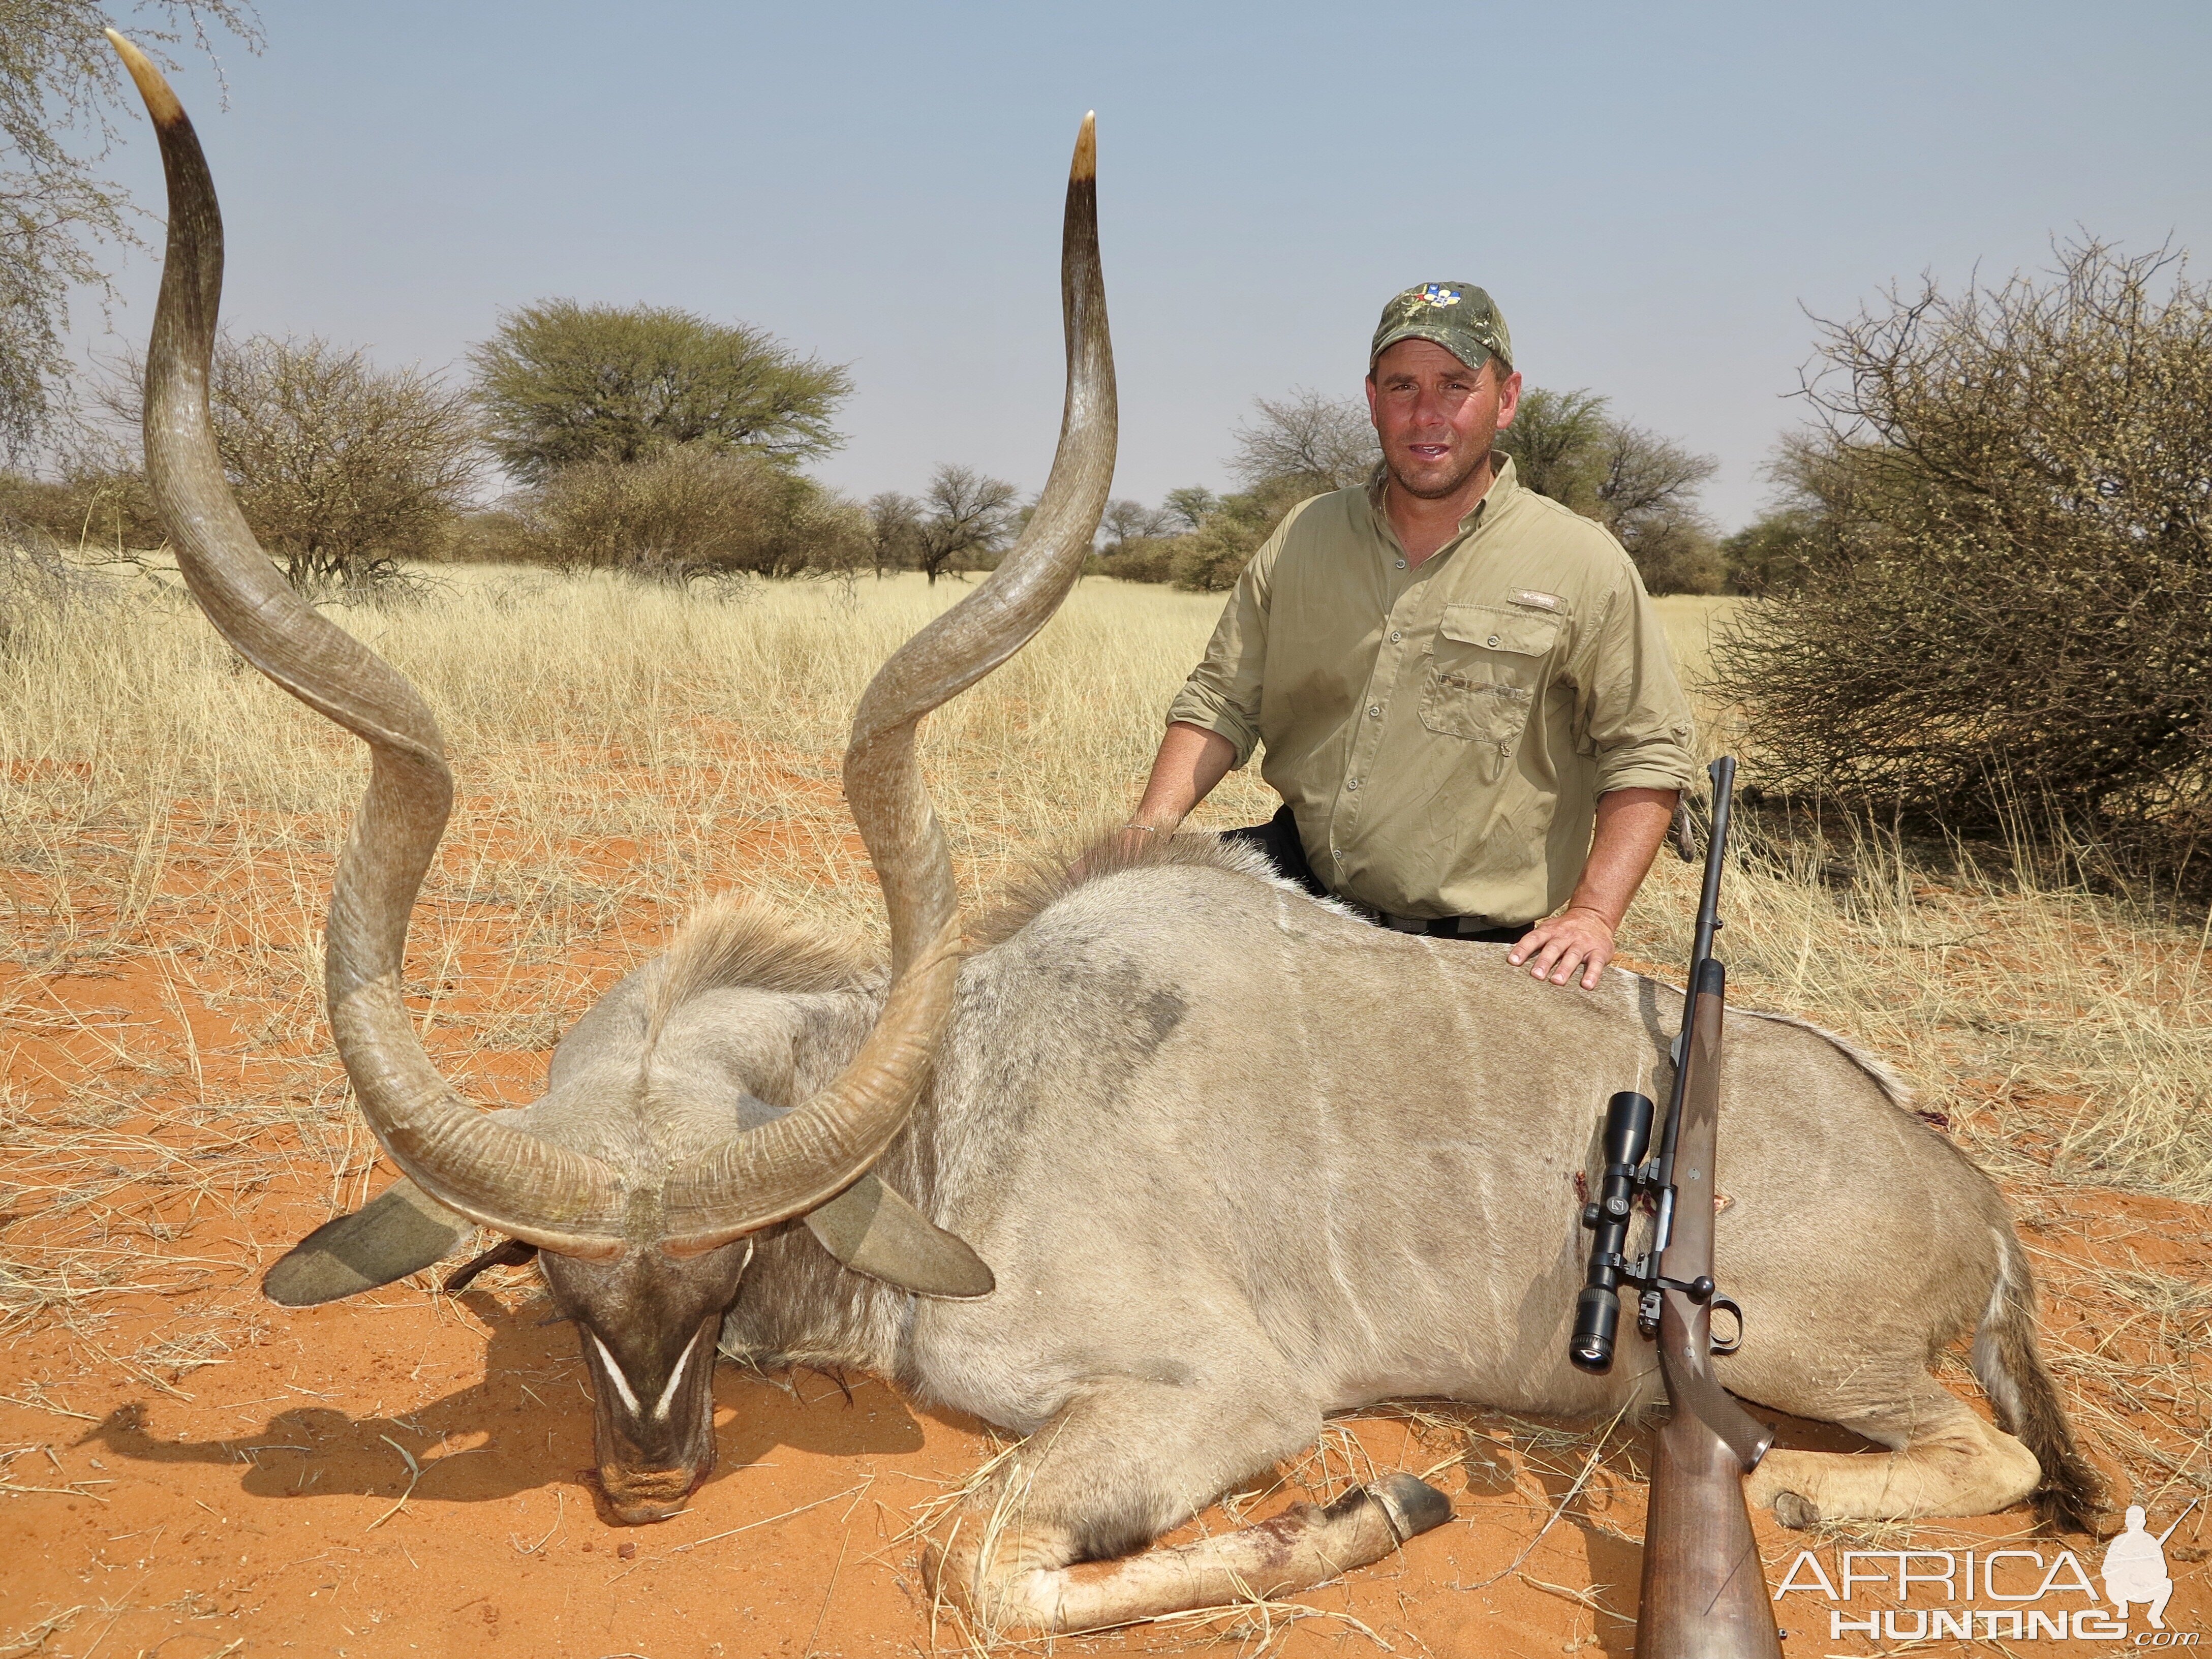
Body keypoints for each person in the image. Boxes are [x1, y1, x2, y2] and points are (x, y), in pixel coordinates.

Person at [1124, 281, 1698, 990]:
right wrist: (1147, 833)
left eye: (1456, 385)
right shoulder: (1305, 535)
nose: (1427, 415)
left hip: (1482, 951)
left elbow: (1646, 752)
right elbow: (1221, 700)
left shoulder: (1583, 562)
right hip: (1303, 895)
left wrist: (1593, 915)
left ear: (1507, 397)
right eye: (1403, 387)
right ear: (1372, 399)